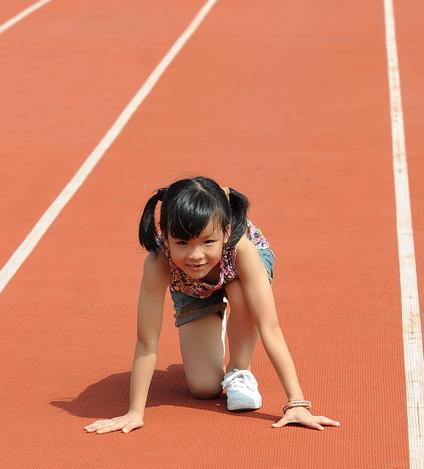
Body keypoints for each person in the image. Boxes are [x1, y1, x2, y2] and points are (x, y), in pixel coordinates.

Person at [85, 176, 339, 434]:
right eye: (182, 243)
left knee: (239, 293)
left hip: (235, 276)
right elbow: (146, 341)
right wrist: (135, 412)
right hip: (192, 288)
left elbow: (269, 328)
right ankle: (214, 317)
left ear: (226, 232)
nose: (195, 255)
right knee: (205, 389)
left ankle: (240, 369)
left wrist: (296, 402)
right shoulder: (158, 262)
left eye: (208, 242)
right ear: (166, 236)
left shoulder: (243, 250)